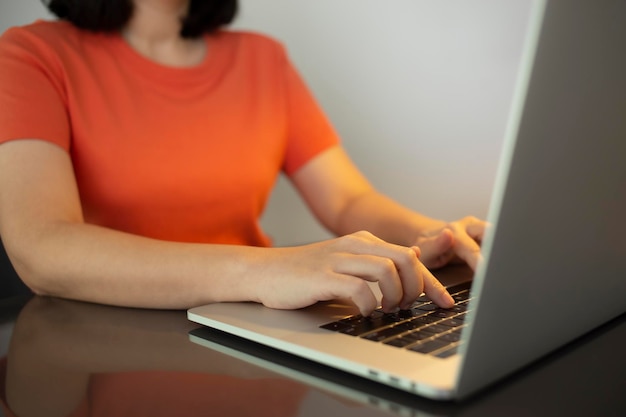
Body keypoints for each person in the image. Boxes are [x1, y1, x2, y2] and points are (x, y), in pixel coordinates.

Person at [0, 0, 485, 316]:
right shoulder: (32, 55)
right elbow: (42, 248)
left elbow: (346, 198)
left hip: (254, 334)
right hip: (106, 337)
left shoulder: (262, 59)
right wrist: (265, 270)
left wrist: (427, 234)